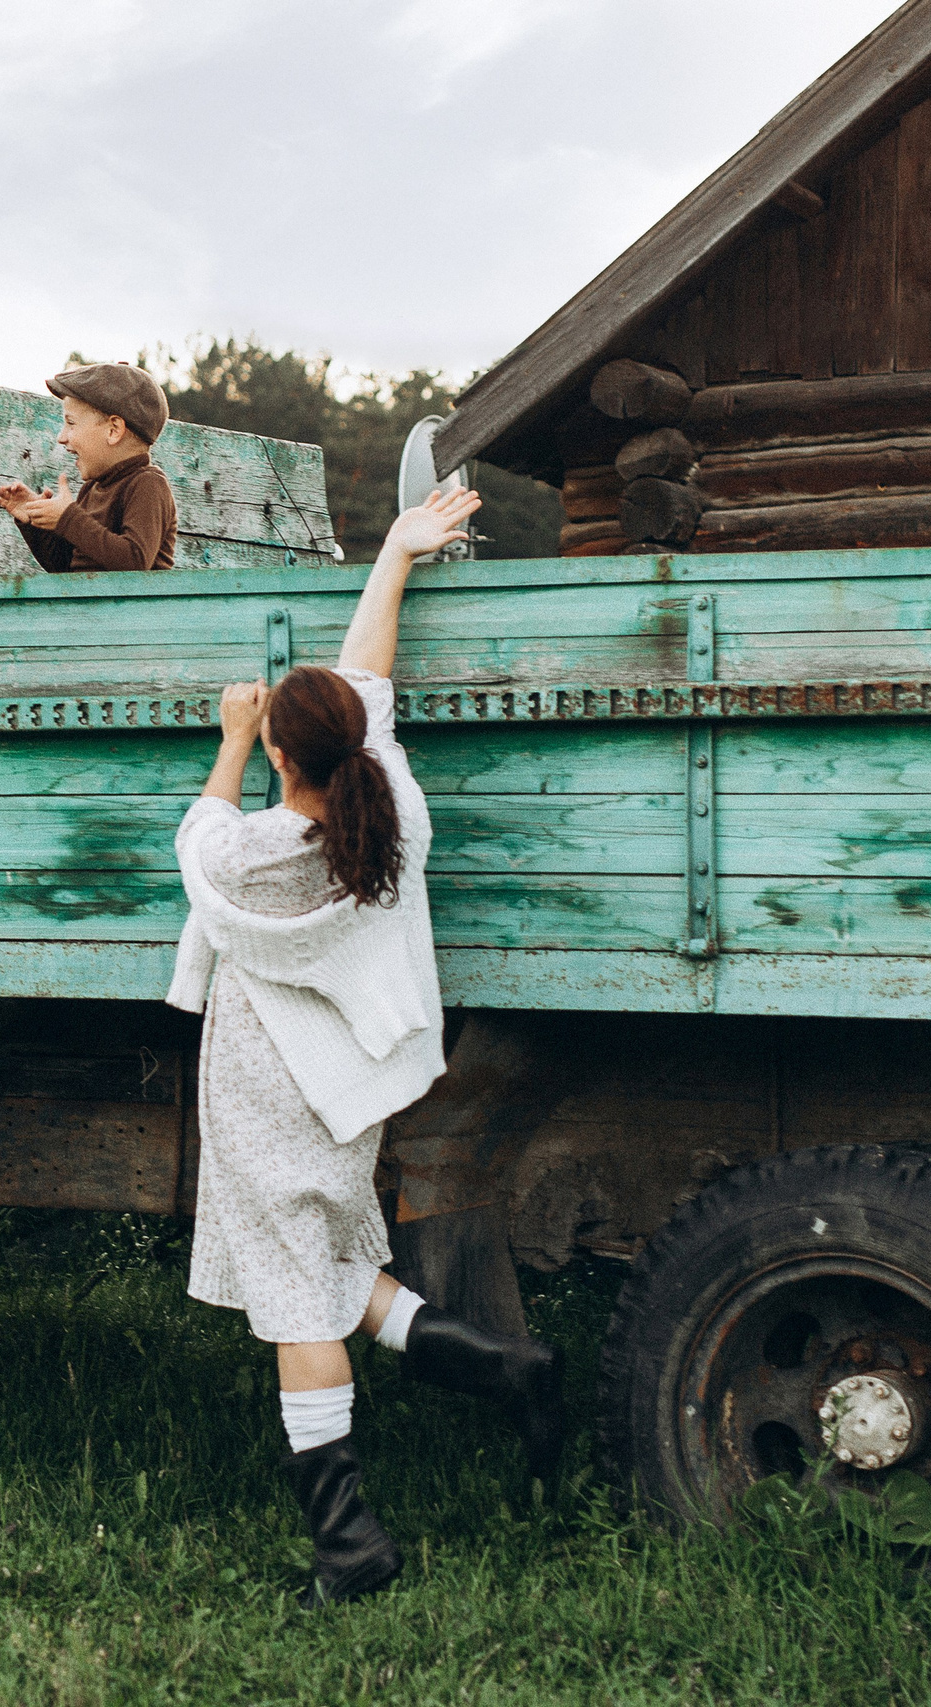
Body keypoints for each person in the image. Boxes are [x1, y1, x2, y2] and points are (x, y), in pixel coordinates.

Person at [167, 486, 565, 1609]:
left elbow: (196, 835)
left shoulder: (247, 856)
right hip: (347, 1086)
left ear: (281, 754)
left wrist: (228, 743)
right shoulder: (392, 812)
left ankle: (349, 1545)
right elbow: (369, 681)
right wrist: (394, 552)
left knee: (301, 1304)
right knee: (337, 1265)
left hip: (266, 1084)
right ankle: (510, 1369)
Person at [0, 362, 178, 572]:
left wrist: (68, 519)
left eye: (71, 423)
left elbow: (134, 561)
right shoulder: (91, 490)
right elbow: (66, 568)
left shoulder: (148, 484)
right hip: (87, 595)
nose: (61, 437)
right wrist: (35, 521)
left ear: (113, 430)